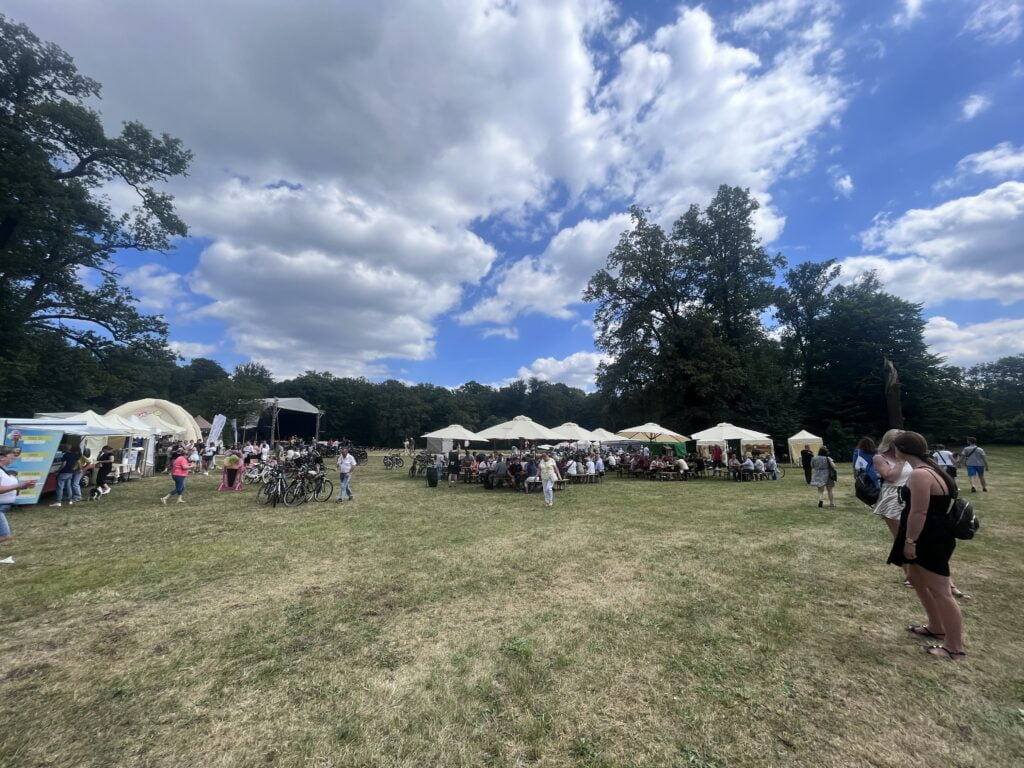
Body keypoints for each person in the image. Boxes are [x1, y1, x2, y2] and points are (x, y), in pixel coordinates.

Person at [886, 431, 966, 661]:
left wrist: (911, 542)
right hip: (932, 532)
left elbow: (919, 512)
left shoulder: (920, 474)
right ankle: (935, 626)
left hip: (927, 536)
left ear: (900, 450)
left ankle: (954, 647)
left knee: (941, 591)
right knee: (915, 578)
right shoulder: (933, 469)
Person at [1, 446, 38, 564]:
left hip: (3, 507)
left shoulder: (3, 470)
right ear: (1, 457)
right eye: (11, 457)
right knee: (4, 534)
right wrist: (19, 485)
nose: (13, 460)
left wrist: (23, 486)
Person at [50, 443, 81, 507]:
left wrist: (58, 471)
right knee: (68, 487)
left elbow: (64, 464)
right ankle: (70, 500)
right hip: (70, 473)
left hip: (64, 473)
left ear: (65, 449)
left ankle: (58, 502)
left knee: (60, 487)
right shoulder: (74, 455)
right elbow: (78, 462)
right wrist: (80, 468)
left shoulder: (65, 455)